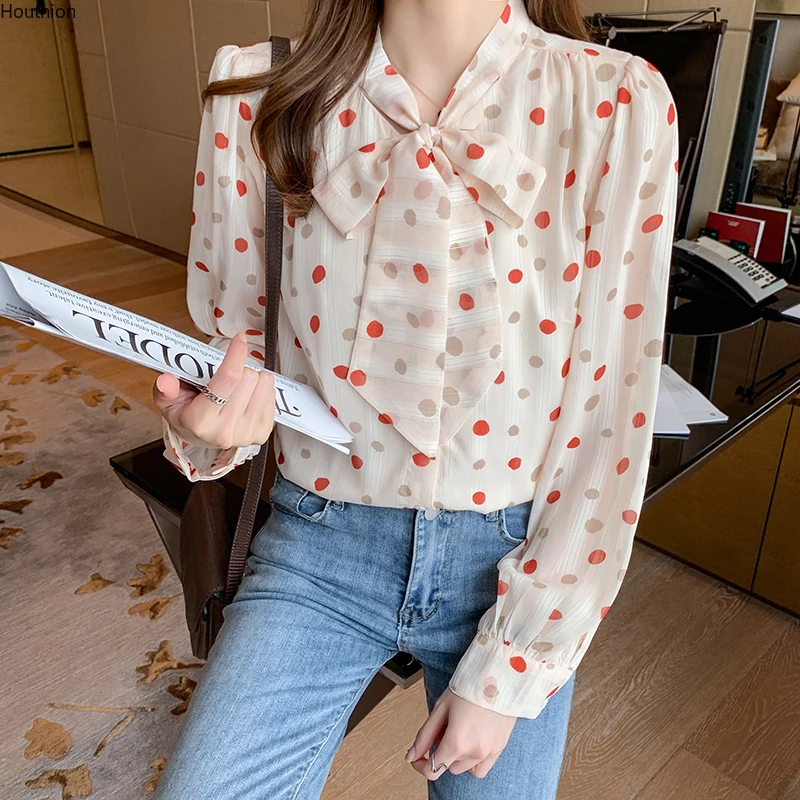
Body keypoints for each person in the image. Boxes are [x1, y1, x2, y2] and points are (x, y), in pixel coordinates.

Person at [152, 0, 680, 797]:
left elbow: (611, 410)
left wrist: (513, 662)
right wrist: (210, 425)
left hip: (511, 559)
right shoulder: (257, 91)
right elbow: (240, 347)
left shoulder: (614, 102)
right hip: (318, 542)